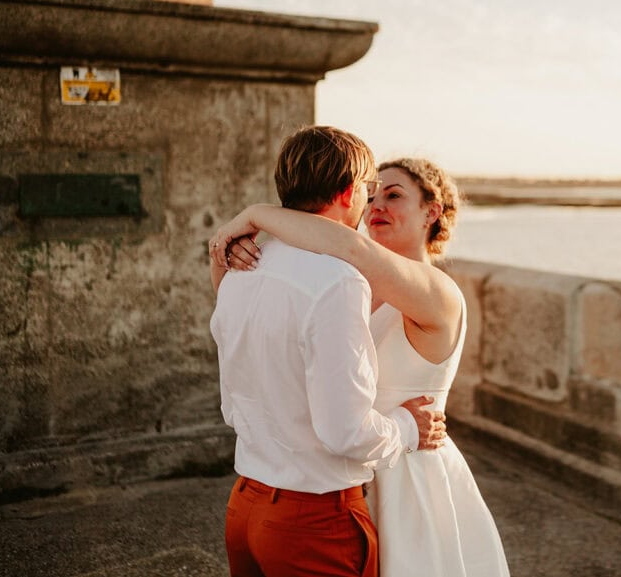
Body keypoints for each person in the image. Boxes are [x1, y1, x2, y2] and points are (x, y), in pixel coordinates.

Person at [211, 156, 510, 577]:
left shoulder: (438, 291)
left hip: (407, 479)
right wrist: (232, 255)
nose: (376, 206)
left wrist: (255, 216)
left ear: (432, 211)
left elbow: (345, 243)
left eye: (394, 195)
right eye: (372, 195)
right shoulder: (346, 284)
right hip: (336, 476)